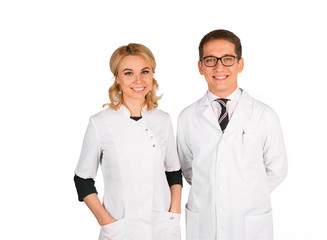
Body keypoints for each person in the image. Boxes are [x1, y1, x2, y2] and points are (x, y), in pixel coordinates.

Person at [177, 29, 287, 240]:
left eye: (227, 59)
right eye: (210, 60)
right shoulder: (187, 117)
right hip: (204, 220)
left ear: (240, 64)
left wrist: (245, 194)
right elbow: (189, 170)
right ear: (200, 67)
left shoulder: (264, 115)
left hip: (249, 221)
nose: (219, 67)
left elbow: (277, 169)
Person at [74, 43, 182, 240]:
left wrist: (174, 213)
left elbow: (173, 171)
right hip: (120, 229)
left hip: (162, 228)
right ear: (117, 78)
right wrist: (107, 223)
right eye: (129, 73)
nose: (138, 80)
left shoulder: (163, 119)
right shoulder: (100, 122)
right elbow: (83, 179)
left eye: (145, 71)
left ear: (152, 75)